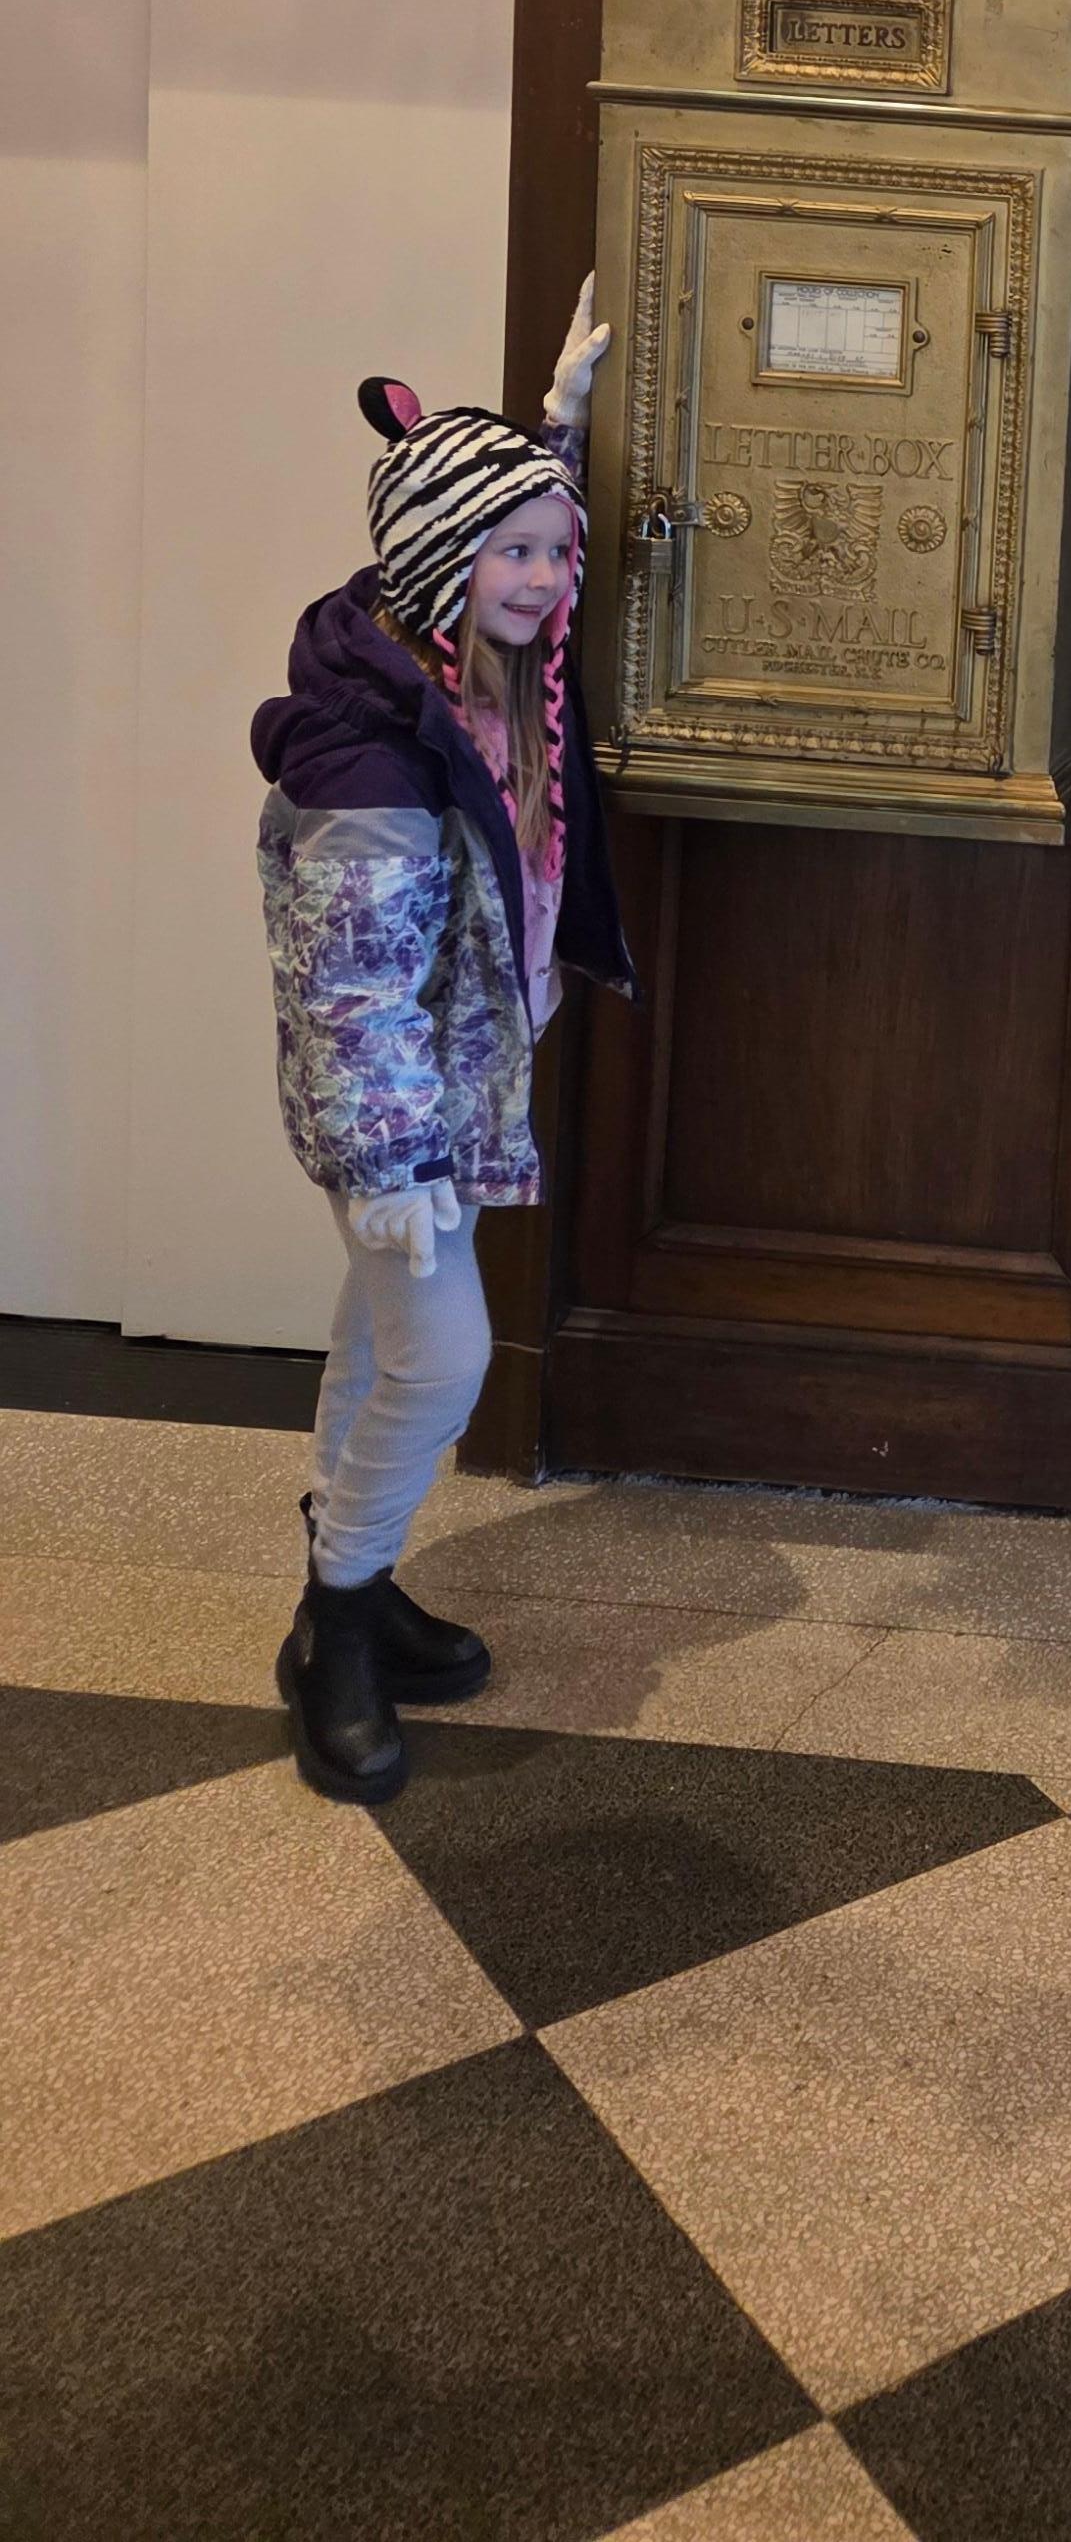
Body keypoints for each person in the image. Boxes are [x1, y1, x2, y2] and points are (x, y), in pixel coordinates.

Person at [254, 281, 633, 1805]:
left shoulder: (480, 672)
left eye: (555, 550)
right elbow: (349, 987)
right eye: (512, 553)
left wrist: (556, 432)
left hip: (457, 1079)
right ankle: (335, 1624)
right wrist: (393, 1164)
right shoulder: (367, 759)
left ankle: (354, 1583)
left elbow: (502, 525)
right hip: (394, 1114)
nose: (543, 580)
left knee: (379, 1339)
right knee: (445, 1356)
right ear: (437, 563)